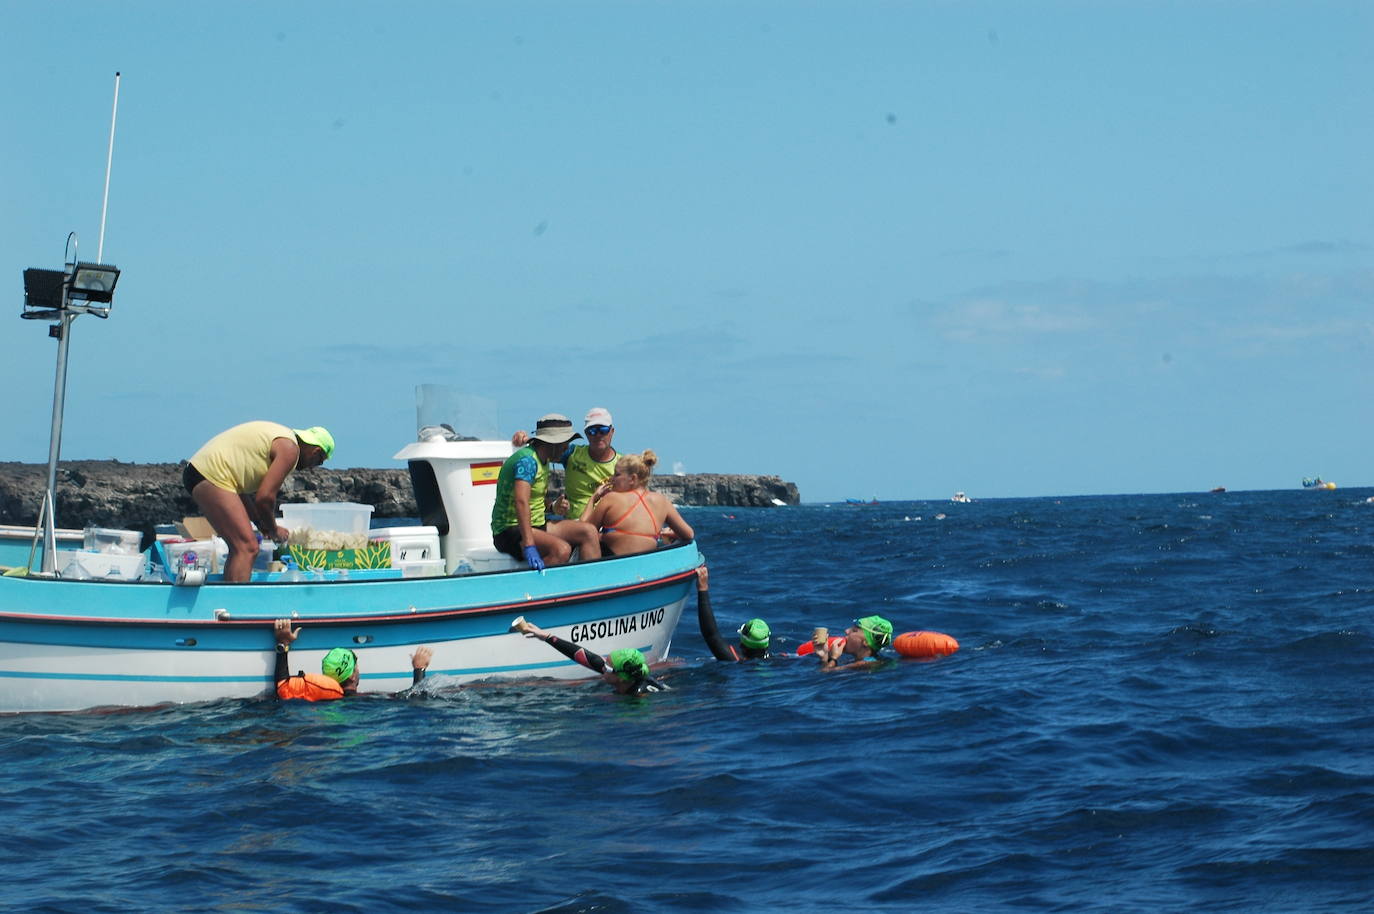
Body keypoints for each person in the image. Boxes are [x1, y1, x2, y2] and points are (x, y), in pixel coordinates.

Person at [184, 422, 334, 582]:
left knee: (239, 547)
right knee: (247, 547)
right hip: (211, 474)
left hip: (201, 472)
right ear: (316, 451)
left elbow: (239, 492)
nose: (312, 468)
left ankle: (226, 600)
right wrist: (274, 529)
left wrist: (260, 522)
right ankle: (236, 603)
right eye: (318, 462)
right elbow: (264, 498)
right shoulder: (290, 450)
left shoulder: (280, 438)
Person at [491, 414, 601, 570]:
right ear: (552, 443)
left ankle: (591, 584)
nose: (566, 447)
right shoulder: (528, 461)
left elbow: (534, 499)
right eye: (564, 443)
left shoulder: (545, 458)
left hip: (537, 525)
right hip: (511, 530)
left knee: (588, 531)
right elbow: (521, 501)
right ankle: (530, 589)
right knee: (561, 550)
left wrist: (552, 507)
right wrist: (529, 545)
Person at [272, 619, 432, 700]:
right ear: (352, 676)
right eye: (356, 667)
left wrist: (283, 643)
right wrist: (420, 669)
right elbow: (415, 699)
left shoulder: (320, 696)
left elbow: (282, 686)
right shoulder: (367, 699)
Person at [512, 406, 621, 520]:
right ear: (586, 433)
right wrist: (524, 438)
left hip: (608, 523)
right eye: (592, 431)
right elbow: (547, 447)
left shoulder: (623, 464)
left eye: (603, 430)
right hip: (574, 523)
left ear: (612, 431)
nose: (598, 435)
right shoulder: (572, 454)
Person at [578, 449, 694, 556]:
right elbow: (689, 534)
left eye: (617, 474)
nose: (612, 479)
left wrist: (593, 499)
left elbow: (584, 530)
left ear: (632, 479)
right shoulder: (662, 501)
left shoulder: (611, 498)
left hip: (614, 563)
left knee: (571, 532)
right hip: (644, 564)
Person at [509, 615, 667, 693]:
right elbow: (582, 655)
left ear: (620, 677)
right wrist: (546, 637)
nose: (602, 666)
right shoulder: (623, 675)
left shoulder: (640, 697)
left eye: (607, 665)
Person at [694, 565, 770, 661]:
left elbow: (711, 635)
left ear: (742, 642)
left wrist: (703, 588)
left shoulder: (734, 659)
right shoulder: (781, 659)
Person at [812, 615, 894, 670]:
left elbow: (826, 675)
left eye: (854, 631)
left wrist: (834, 658)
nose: (847, 631)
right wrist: (824, 656)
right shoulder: (865, 660)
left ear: (866, 642)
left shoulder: (862, 664)